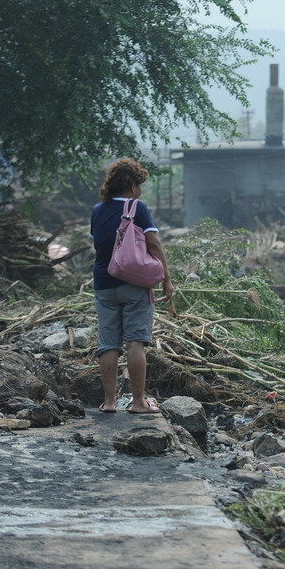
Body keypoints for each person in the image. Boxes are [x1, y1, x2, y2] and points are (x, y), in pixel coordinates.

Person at [90, 158, 174, 413]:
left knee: (108, 344)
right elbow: (154, 244)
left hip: (104, 284)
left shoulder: (97, 210)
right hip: (134, 284)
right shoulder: (137, 207)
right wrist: (167, 279)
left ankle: (110, 402)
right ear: (133, 186)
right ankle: (138, 402)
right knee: (136, 343)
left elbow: (100, 242)